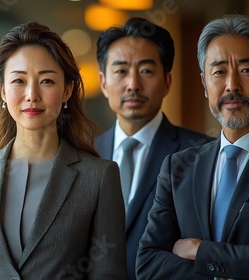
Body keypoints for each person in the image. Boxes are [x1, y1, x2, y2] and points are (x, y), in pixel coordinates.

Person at [0, 22, 127, 279]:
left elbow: (108, 275)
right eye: (18, 81)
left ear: (67, 90)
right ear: (3, 91)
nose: (31, 94)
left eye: (46, 80)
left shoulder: (99, 177)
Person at [137, 14, 249, 279]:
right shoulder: (178, 167)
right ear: (204, 84)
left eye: (246, 70)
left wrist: (200, 251)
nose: (232, 85)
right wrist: (241, 265)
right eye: (219, 72)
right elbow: (148, 264)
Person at [94, 17, 210, 280]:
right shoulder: (82, 154)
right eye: (121, 71)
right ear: (103, 82)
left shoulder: (201, 154)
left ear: (168, 82)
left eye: (146, 71)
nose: (133, 84)